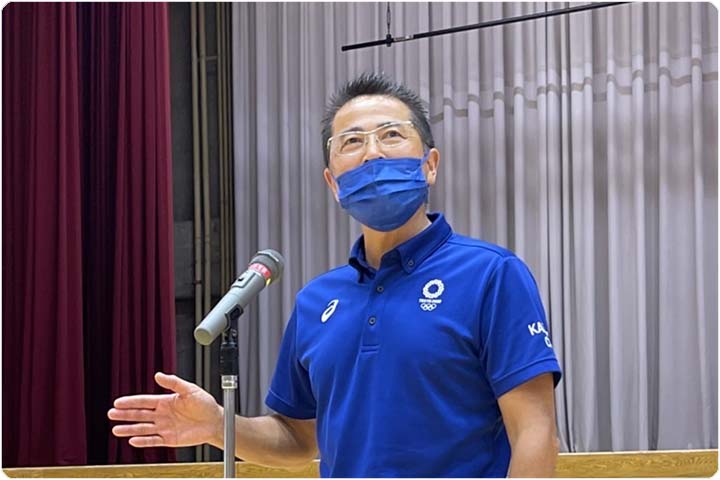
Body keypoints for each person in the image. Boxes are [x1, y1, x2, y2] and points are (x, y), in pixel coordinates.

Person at [108, 72, 562, 477]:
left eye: (391, 135)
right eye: (352, 142)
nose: (372, 154)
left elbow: (535, 432)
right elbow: (298, 439)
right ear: (333, 183)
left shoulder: (492, 275)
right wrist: (218, 425)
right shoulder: (316, 300)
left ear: (430, 165)